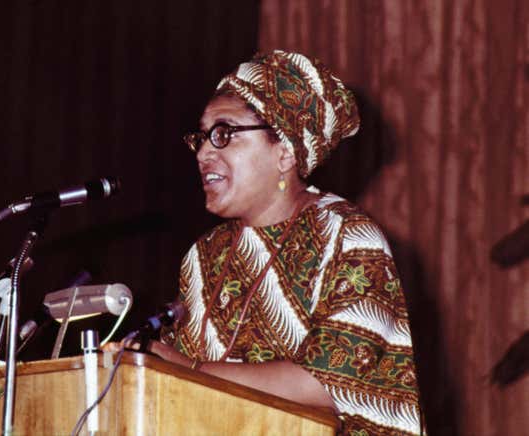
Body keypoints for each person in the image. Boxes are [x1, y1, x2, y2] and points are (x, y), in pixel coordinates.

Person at [141, 50, 422, 435]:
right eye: (202, 137)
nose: (204, 152)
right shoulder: (204, 257)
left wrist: (188, 368)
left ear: (286, 151)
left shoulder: (347, 235)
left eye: (224, 133)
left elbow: (325, 382)